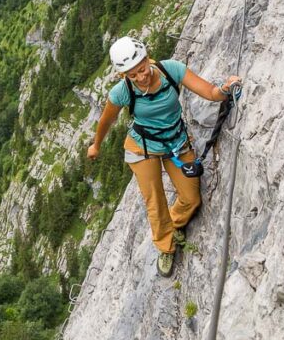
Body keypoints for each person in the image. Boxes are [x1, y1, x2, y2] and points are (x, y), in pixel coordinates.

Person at [87, 37, 241, 277]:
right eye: (132, 75)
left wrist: (225, 89)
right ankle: (166, 246)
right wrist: (96, 145)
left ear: (148, 59)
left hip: (176, 142)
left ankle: (174, 223)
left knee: (191, 197)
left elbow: (210, 92)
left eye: (142, 69)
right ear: (123, 76)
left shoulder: (171, 70)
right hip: (142, 148)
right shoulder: (122, 92)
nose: (140, 77)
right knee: (155, 201)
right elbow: (107, 120)